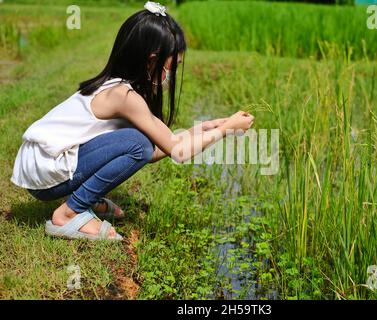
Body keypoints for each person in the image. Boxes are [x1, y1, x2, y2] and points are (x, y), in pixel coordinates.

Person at [10, 2, 254, 241]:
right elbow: (176, 151)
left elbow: (161, 147)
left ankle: (86, 198)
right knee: (138, 143)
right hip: (43, 173)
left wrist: (208, 127)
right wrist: (225, 130)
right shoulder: (124, 97)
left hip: (44, 165)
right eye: (174, 66)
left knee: (141, 144)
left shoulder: (124, 90)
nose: (175, 74)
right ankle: (68, 213)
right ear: (151, 60)